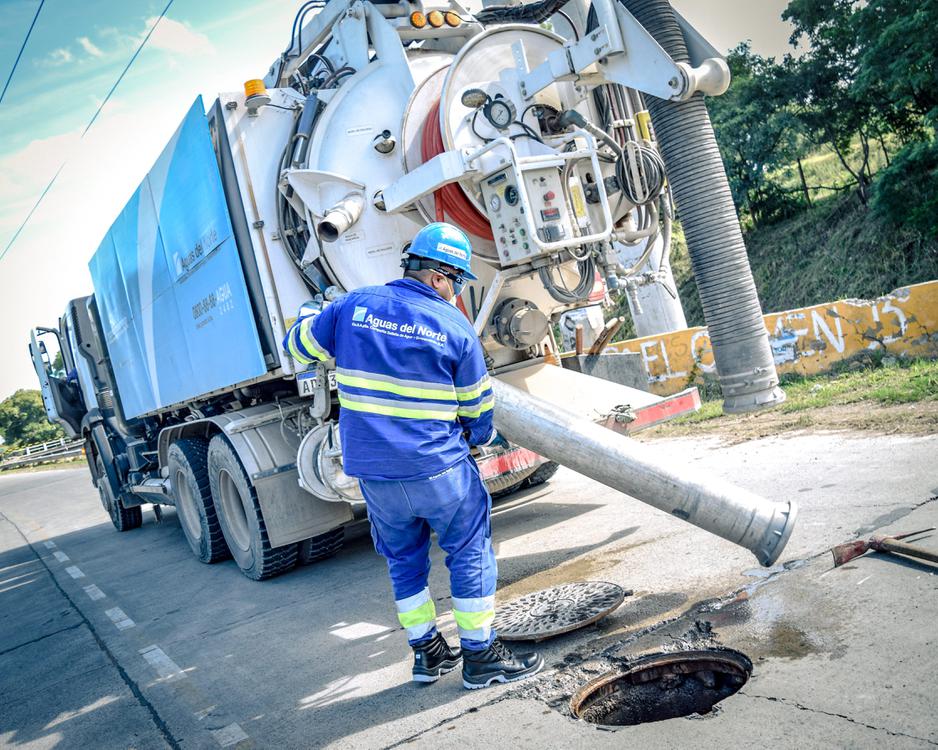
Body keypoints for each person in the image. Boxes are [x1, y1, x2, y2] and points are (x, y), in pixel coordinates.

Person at [283, 222, 543, 689]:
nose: (457, 294)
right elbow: (478, 411)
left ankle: (427, 653)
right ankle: (481, 657)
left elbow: (298, 346)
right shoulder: (455, 328)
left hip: (375, 476)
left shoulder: (352, 306)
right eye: (458, 283)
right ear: (441, 278)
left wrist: (310, 314)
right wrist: (475, 438)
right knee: (468, 552)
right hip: (437, 469)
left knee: (403, 561)